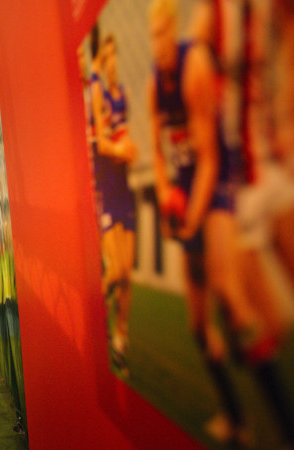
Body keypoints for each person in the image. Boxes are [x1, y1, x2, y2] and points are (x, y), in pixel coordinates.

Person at [148, 0, 291, 443]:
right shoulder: (158, 82)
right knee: (200, 324)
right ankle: (237, 418)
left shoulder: (193, 67)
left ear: (174, 31)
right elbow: (157, 152)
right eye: (151, 36)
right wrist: (167, 191)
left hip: (219, 192)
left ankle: (283, 423)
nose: (157, 44)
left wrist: (191, 217)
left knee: (234, 299)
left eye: (162, 33)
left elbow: (209, 157)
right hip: (191, 196)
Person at [90, 33, 138, 371]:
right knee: (117, 269)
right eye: (107, 57)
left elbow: (123, 137)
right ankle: (94, 319)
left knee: (127, 275)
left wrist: (129, 148)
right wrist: (122, 149)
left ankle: (120, 336)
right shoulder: (97, 91)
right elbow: (102, 145)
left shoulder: (125, 96)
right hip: (106, 188)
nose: (112, 63)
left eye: (115, 56)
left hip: (126, 189)